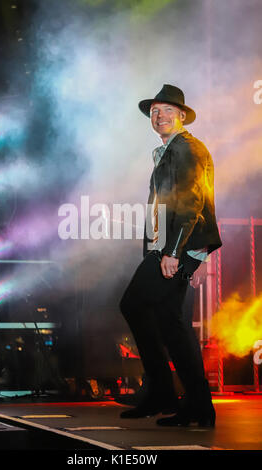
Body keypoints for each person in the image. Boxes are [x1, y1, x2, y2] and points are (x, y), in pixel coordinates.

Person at [119, 84, 222, 427]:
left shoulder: (187, 148)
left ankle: (164, 391)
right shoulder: (169, 151)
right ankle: (197, 404)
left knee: (134, 305)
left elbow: (191, 202)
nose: (158, 115)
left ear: (181, 116)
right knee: (172, 324)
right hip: (172, 246)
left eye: (166, 110)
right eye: (154, 111)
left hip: (178, 247)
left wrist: (173, 252)